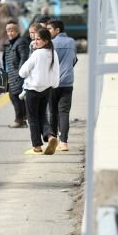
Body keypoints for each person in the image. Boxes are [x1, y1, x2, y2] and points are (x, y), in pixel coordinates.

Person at [19, 27, 60, 155]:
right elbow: (56, 72)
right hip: (47, 89)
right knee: (42, 115)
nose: (35, 41)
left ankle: (37, 146)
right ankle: (50, 136)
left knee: (33, 118)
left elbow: (22, 72)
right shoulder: (53, 53)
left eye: (38, 39)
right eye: (35, 39)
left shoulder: (37, 54)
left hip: (33, 89)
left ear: (46, 41)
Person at [46, 19, 77, 152]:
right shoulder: (71, 42)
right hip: (68, 83)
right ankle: (64, 142)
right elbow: (74, 60)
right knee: (64, 113)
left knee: (53, 112)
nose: (48, 32)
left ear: (57, 30)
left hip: (53, 83)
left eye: (50, 29)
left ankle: (53, 140)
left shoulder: (50, 43)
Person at [3, 20, 30, 128]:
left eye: (13, 30)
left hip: (18, 75)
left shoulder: (21, 42)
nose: (10, 32)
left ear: (17, 30)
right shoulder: (11, 43)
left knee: (16, 96)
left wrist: (20, 75)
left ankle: (20, 120)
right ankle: (22, 119)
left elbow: (24, 58)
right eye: (8, 30)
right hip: (12, 75)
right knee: (15, 96)